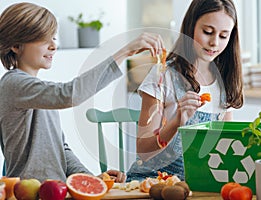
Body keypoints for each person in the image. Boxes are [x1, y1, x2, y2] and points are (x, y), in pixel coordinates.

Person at [0, 2, 165, 183]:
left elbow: (61, 149)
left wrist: (90, 179)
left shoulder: (37, 91)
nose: (53, 46)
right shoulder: (13, 84)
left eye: (53, 38)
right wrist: (124, 52)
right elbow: (69, 94)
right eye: (42, 39)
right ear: (15, 45)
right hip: (29, 192)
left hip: (57, 190)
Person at [126, 0, 243, 181]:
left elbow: (223, 146)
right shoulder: (163, 76)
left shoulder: (225, 81)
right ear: (191, 27)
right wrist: (176, 122)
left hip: (198, 183)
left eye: (223, 36)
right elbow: (143, 151)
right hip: (152, 181)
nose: (214, 43)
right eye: (208, 32)